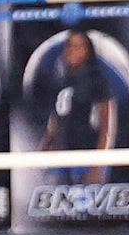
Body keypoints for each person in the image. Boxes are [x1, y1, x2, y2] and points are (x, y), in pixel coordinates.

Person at [38, 30, 121, 183]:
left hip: (88, 156)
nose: (72, 50)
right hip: (63, 156)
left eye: (78, 46)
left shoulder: (97, 81)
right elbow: (57, 116)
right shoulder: (61, 81)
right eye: (69, 45)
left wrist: (97, 165)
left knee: (89, 203)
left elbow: (107, 126)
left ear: (88, 50)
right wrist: (48, 142)